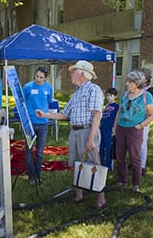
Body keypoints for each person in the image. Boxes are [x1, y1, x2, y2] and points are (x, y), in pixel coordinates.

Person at [35, 60, 107, 210]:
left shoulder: (94, 90)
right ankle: (79, 195)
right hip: (74, 132)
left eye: (74, 71)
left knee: (94, 164)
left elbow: (97, 115)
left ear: (82, 74)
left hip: (87, 130)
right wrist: (44, 115)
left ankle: (101, 200)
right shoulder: (77, 93)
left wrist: (91, 137)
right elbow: (64, 114)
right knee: (76, 163)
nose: (71, 74)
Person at [113, 71, 153, 192]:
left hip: (135, 130)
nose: (127, 83)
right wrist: (115, 127)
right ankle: (122, 181)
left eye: (130, 82)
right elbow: (119, 112)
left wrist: (141, 125)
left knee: (135, 157)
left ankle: (136, 184)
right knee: (120, 156)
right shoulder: (124, 95)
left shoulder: (146, 96)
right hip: (121, 128)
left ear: (137, 83)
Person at [23, 66, 53, 184]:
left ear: (45, 78)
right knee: (29, 150)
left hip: (43, 124)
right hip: (30, 123)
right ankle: (31, 176)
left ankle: (38, 175)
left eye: (41, 77)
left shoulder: (49, 88)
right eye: (37, 76)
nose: (38, 79)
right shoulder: (28, 87)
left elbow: (49, 102)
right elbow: (22, 102)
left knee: (40, 152)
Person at [140, 68, 153, 175]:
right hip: (134, 120)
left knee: (142, 143)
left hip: (144, 120)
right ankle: (135, 162)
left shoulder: (151, 91)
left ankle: (142, 165)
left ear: (146, 79)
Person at [99, 87, 119, 170]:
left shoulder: (117, 106)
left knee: (109, 148)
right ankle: (101, 163)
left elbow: (117, 118)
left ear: (115, 96)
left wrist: (114, 129)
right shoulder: (106, 106)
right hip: (102, 129)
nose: (109, 97)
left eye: (111, 95)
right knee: (100, 147)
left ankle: (109, 165)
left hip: (109, 130)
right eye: (107, 95)